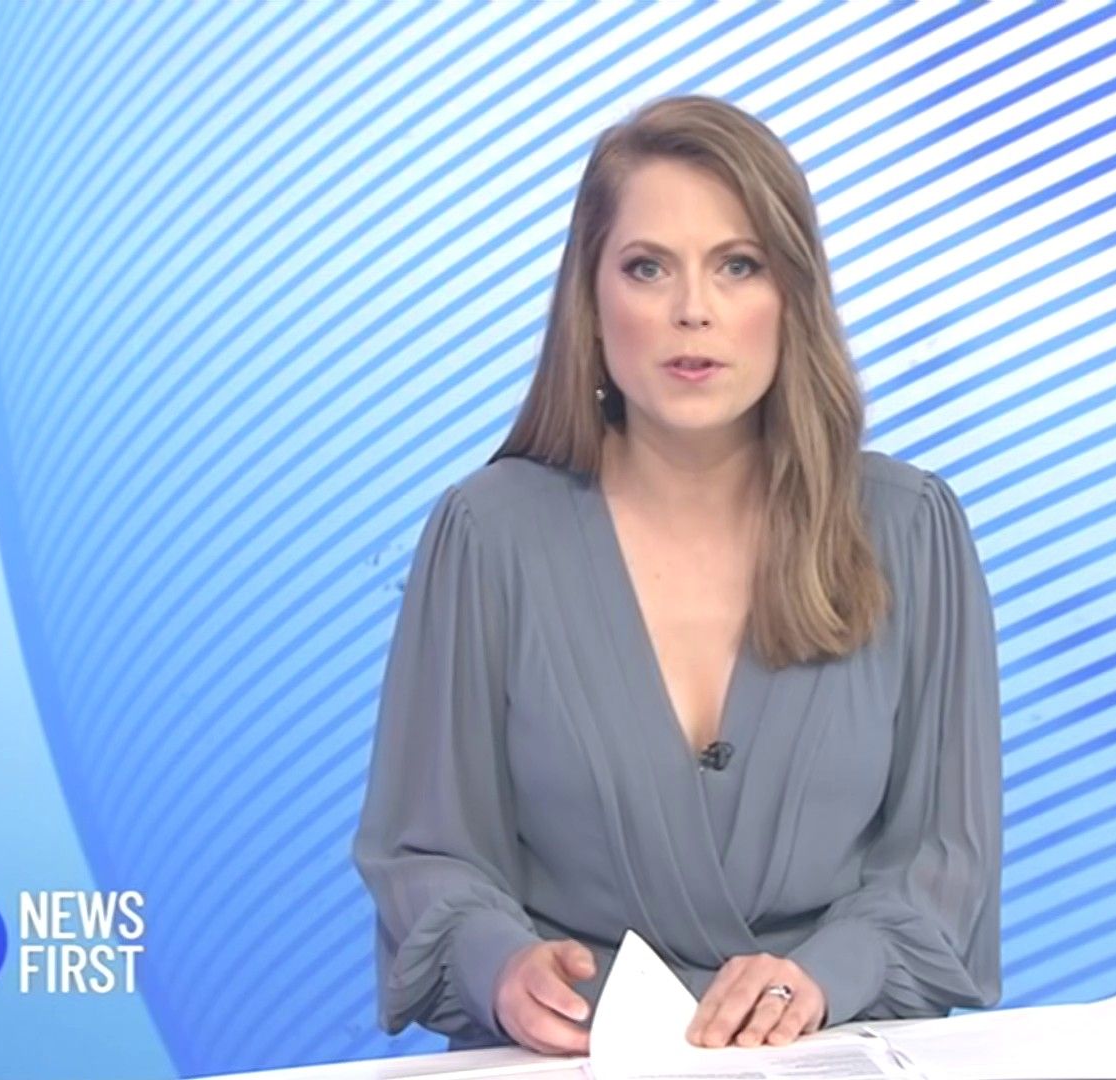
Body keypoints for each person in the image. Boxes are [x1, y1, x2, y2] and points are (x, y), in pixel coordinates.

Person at [351, 94, 1001, 1057]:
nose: (693, 309)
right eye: (648, 267)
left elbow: (943, 864)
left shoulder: (912, 529)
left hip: (826, 1054)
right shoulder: (487, 534)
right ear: (591, 301)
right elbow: (428, 854)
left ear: (793, 296)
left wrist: (823, 978)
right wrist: (503, 968)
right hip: (572, 1060)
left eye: (738, 265)